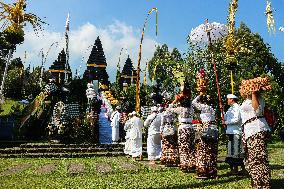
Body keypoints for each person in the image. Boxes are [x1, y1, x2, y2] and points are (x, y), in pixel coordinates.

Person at [239, 85, 271, 188]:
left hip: (256, 129)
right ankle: (257, 181)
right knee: (252, 159)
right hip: (248, 131)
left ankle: (263, 184)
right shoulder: (246, 100)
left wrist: (253, 93)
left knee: (258, 158)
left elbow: (257, 111)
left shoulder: (258, 98)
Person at [192, 95, 218, 179]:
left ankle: (203, 172)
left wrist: (200, 95)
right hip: (213, 129)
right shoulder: (212, 108)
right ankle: (212, 172)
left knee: (203, 150)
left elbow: (193, 102)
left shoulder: (205, 107)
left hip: (206, 129)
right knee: (211, 151)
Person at [171, 84, 195, 172]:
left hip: (183, 128)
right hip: (191, 128)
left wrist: (175, 100)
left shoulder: (180, 109)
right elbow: (192, 103)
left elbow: (168, 109)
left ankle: (185, 166)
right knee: (191, 147)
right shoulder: (191, 109)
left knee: (183, 147)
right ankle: (192, 164)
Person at [224, 94, 245, 175]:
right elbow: (225, 118)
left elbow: (236, 119)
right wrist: (222, 110)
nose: (227, 101)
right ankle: (234, 169)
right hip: (230, 132)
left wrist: (226, 122)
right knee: (231, 151)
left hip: (236, 132)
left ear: (232, 99)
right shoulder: (230, 109)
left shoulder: (237, 108)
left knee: (237, 151)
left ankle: (241, 169)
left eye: (228, 99)